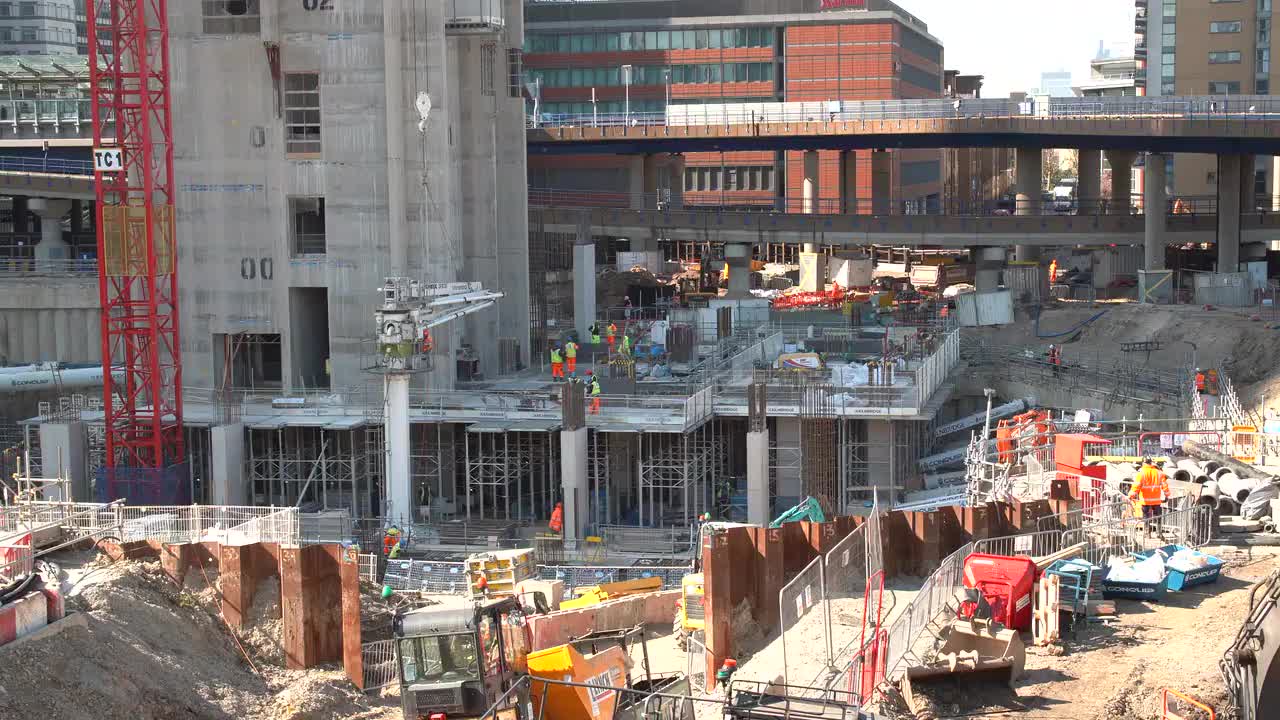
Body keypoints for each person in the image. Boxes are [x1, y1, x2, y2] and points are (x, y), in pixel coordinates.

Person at [1129, 458, 1170, 533]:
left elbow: (1136, 486)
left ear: (1144, 463)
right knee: (1158, 516)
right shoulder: (1159, 473)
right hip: (1156, 500)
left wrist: (1130, 496)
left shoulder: (1141, 473)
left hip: (1145, 501)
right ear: (1151, 463)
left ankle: (1147, 533)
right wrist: (1167, 495)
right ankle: (1159, 532)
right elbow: (1165, 486)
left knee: (1146, 517)